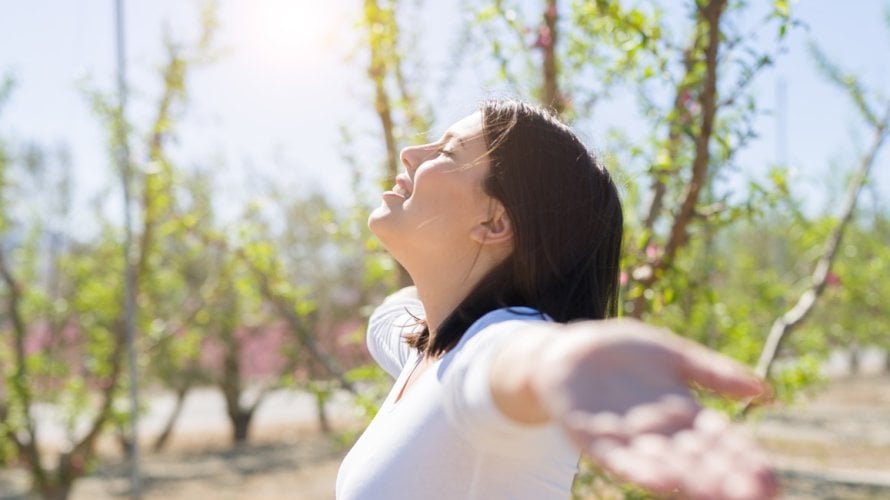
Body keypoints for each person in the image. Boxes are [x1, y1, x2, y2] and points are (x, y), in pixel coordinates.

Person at [335, 100, 776, 499]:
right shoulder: (430, 349)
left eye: (447, 152)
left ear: (494, 224)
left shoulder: (491, 346)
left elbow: (511, 355)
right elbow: (388, 318)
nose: (411, 152)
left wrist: (559, 359)